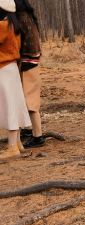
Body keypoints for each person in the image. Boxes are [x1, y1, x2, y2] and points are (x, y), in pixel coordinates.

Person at [0, 0, 31, 160]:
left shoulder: (3, 26)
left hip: (3, 70)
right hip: (11, 68)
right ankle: (17, 143)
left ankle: (12, 147)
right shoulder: (14, 25)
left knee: (9, 107)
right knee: (14, 105)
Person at [16, 0, 44, 148]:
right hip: (30, 62)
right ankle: (28, 130)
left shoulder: (21, 19)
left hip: (28, 63)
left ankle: (38, 136)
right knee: (26, 100)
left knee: (30, 102)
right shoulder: (28, 18)